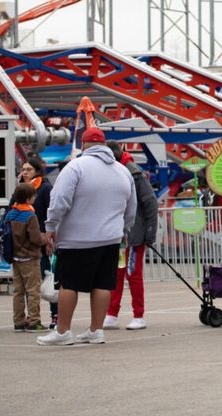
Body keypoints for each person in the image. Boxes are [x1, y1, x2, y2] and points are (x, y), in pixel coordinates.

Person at [38, 127, 136, 347]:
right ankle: (96, 331)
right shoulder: (122, 171)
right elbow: (131, 207)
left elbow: (59, 200)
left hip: (77, 238)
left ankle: (63, 332)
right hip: (111, 239)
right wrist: (124, 230)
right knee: (102, 284)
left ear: (83, 145)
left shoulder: (75, 167)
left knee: (68, 284)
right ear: (104, 145)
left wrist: (51, 226)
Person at [105, 142, 157, 330]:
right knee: (116, 274)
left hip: (135, 234)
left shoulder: (135, 173)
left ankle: (138, 315)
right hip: (117, 234)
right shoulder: (113, 171)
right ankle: (112, 314)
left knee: (132, 274)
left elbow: (150, 202)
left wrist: (150, 233)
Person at [17, 154, 56, 327]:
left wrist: (49, 237)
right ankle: (31, 316)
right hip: (24, 243)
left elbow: (51, 212)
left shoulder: (45, 188)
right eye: (23, 169)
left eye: (29, 169)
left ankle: (55, 314)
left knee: (48, 277)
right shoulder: (21, 188)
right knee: (28, 283)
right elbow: (12, 207)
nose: (25, 172)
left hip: (41, 239)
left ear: (37, 171)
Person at [6, 182, 46, 331]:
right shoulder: (30, 216)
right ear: (29, 199)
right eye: (34, 196)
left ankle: (18, 321)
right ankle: (34, 321)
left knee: (18, 291)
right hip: (29, 257)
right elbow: (35, 239)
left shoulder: (11, 214)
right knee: (33, 290)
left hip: (15, 257)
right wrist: (45, 238)